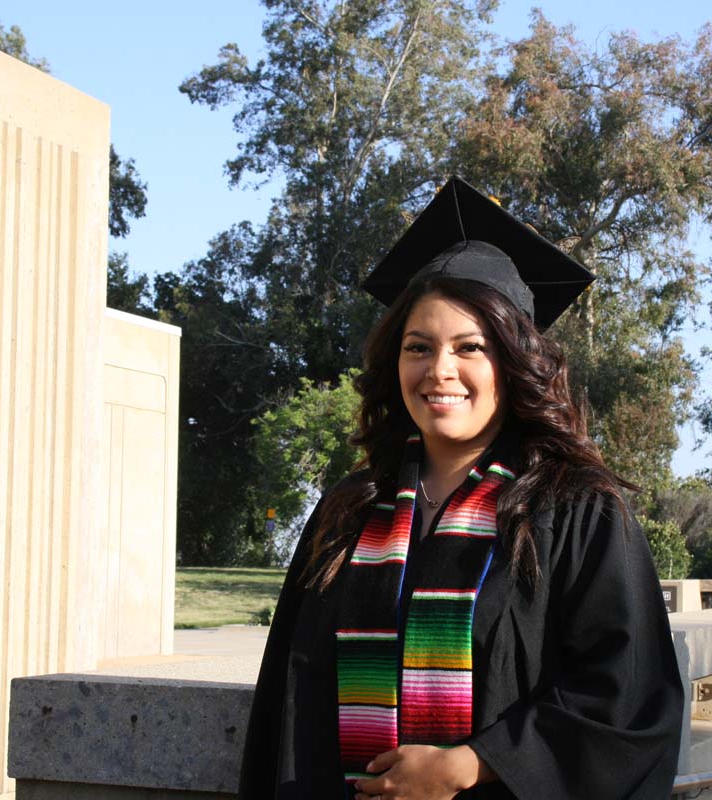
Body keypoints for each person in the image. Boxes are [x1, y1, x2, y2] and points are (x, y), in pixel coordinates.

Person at [237, 177, 683, 800]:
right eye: (418, 347)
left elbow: (625, 696)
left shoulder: (574, 509)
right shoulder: (350, 511)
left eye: (470, 347)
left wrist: (472, 763)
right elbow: (290, 697)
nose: (439, 370)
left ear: (514, 361)